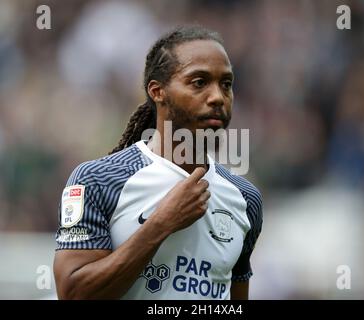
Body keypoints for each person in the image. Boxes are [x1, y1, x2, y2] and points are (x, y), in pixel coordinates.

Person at [54, 26, 263, 300]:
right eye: (199, 82)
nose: (217, 97)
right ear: (157, 91)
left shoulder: (245, 199)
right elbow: (73, 294)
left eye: (226, 84)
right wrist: (160, 224)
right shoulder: (98, 180)